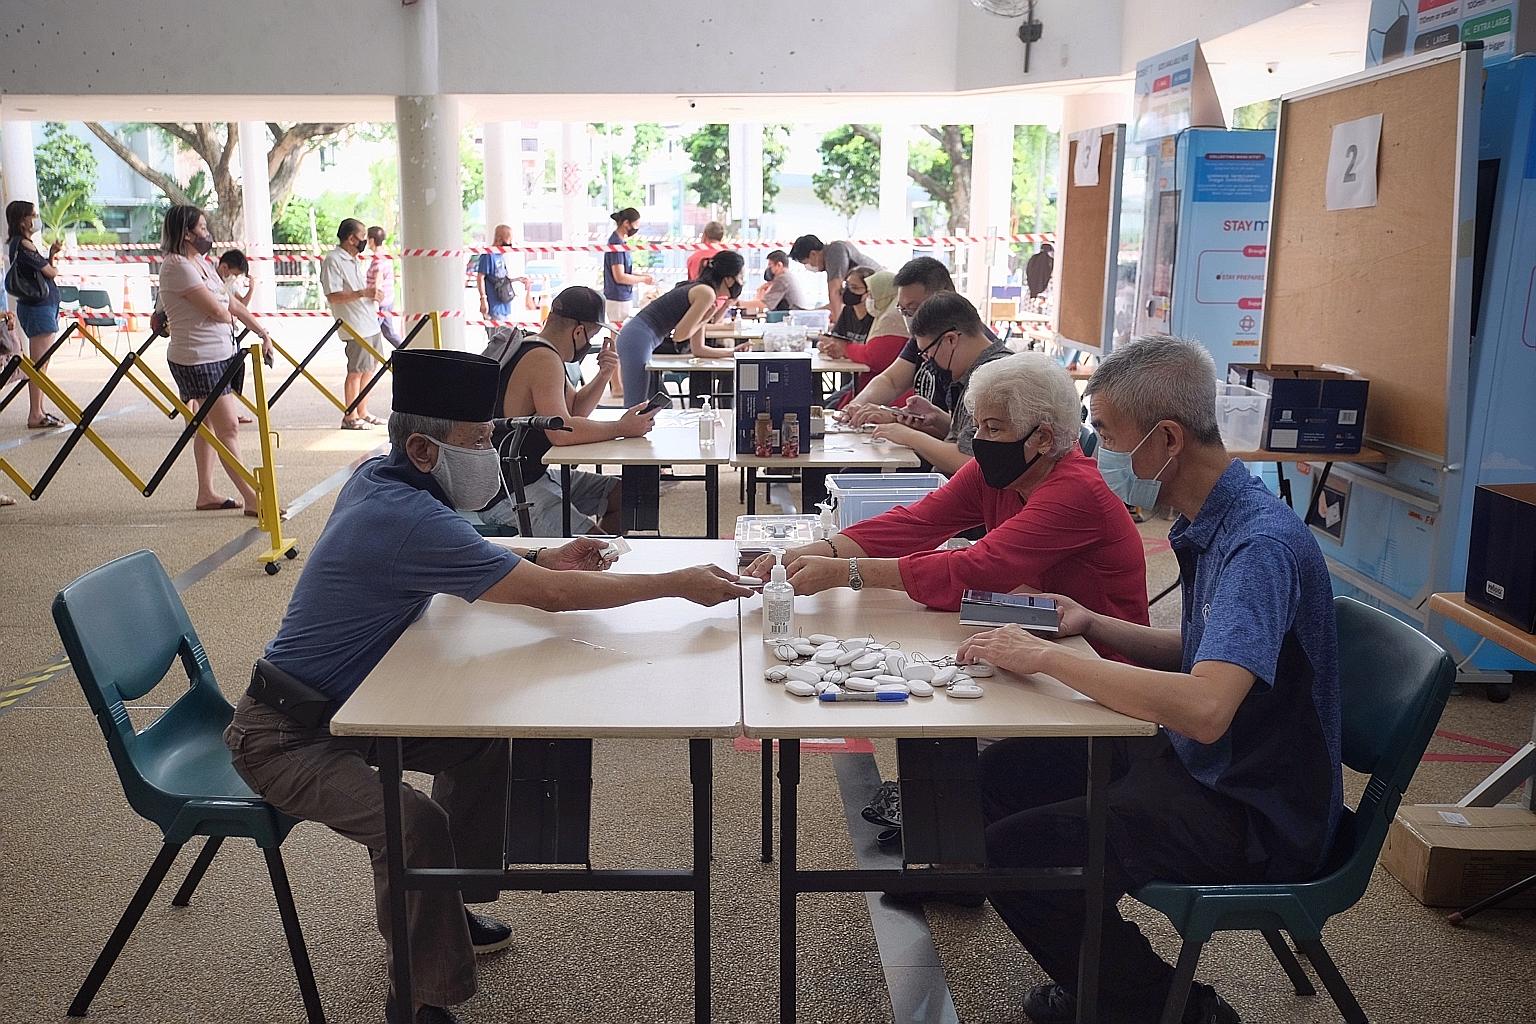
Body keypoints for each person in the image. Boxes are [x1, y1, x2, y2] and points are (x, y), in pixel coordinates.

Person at [225, 347, 751, 1024]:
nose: (490, 455)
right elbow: (553, 598)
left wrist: (539, 552)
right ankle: (418, 996)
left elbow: (485, 559)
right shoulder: (407, 515)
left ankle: (444, 900)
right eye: (477, 443)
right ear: (421, 449)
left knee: (475, 742)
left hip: (343, 708)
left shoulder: (380, 480)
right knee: (410, 824)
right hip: (282, 737)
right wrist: (677, 583)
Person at [960, 336, 1341, 1024]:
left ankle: (1172, 1010)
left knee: (1015, 853)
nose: (1094, 449)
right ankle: (1095, 964)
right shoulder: (1217, 520)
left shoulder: (1259, 545)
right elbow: (1207, 654)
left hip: (1252, 805)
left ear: (1167, 438)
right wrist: (1093, 624)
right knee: (1001, 778)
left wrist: (1048, 658)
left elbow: (1204, 707)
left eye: (1104, 433)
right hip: (1209, 765)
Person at [747, 352, 1146, 627]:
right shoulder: (1005, 472)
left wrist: (845, 572)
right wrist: (807, 552)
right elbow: (916, 522)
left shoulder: (1076, 492)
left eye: (993, 428)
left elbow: (979, 567)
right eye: (978, 426)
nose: (980, 439)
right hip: (1038, 624)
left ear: (1042, 437)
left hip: (1100, 657)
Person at [481, 286, 659, 536]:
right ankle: (591, 556)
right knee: (598, 551)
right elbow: (561, 431)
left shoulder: (536, 346)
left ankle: (592, 550)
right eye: (592, 336)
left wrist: (605, 373)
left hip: (528, 475)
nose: (589, 344)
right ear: (578, 332)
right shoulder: (543, 359)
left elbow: (574, 410)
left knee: (623, 494)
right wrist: (621, 428)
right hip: (511, 491)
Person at [157, 205, 274, 516]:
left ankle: (206, 493)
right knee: (228, 427)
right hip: (198, 358)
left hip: (219, 353)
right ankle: (252, 498)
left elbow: (231, 304)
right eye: (202, 228)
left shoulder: (203, 263)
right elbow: (219, 310)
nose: (207, 234)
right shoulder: (177, 266)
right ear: (185, 233)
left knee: (207, 425)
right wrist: (224, 307)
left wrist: (262, 332)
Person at [839, 256, 1000, 434]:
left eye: (915, 308)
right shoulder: (925, 338)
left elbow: (965, 444)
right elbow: (891, 381)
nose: (910, 317)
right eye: (903, 310)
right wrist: (857, 405)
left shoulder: (976, 352)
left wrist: (904, 430)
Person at [866, 291, 1012, 475]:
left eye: (927, 353)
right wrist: (937, 418)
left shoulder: (992, 379)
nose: (927, 361)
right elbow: (968, 439)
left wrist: (908, 436)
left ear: (951, 339)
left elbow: (970, 462)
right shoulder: (979, 371)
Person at [614, 250, 750, 404]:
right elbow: (680, 335)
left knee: (663, 405)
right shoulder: (706, 293)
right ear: (729, 279)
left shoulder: (704, 291)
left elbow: (698, 349)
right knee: (635, 406)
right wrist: (705, 318)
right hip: (637, 339)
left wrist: (732, 352)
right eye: (741, 277)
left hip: (639, 338)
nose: (742, 282)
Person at [4, 200, 64, 430]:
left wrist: (50, 254)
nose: (36, 218)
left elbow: (43, 271)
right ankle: (35, 413)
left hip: (37, 307)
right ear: (22, 220)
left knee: (41, 363)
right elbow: (50, 272)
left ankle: (38, 410)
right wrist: (52, 263)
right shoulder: (24, 245)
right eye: (32, 215)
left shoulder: (19, 245)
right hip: (39, 309)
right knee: (39, 364)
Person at [322, 218, 383, 429]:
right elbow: (333, 295)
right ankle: (350, 416)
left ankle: (362, 410)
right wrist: (362, 293)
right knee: (356, 370)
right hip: (353, 324)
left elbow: (358, 291)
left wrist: (371, 295)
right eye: (362, 237)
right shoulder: (333, 260)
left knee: (370, 368)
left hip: (369, 322)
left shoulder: (355, 260)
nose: (365, 241)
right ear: (351, 238)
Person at [817, 270, 910, 409]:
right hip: (874, 384)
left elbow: (874, 356)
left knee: (833, 407)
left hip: (889, 393)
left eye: (871, 294)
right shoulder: (878, 314)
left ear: (883, 294)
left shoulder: (892, 319)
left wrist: (845, 348)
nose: (868, 298)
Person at [788, 233, 882, 322]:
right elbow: (837, 302)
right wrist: (808, 313)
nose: (809, 266)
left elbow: (834, 292)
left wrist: (838, 327)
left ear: (813, 254)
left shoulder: (834, 251)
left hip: (880, 294)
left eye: (806, 263)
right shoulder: (835, 255)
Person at [215, 248, 256, 424]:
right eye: (235, 274)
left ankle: (230, 412)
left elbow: (239, 306)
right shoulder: (211, 281)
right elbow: (237, 307)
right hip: (217, 337)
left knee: (231, 376)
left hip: (229, 336)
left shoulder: (228, 284)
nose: (235, 277)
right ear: (225, 268)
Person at [475, 224, 529, 338]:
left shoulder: (500, 256)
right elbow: (480, 277)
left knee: (506, 339)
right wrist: (483, 299)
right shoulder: (488, 255)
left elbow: (500, 279)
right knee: (497, 341)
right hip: (493, 306)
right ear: (499, 239)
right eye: (508, 241)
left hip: (504, 305)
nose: (509, 245)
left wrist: (517, 279)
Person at [602, 207, 654, 324]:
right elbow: (620, 276)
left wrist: (642, 275)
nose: (636, 229)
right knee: (617, 334)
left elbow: (626, 271)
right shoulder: (616, 244)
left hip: (620, 296)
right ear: (626, 223)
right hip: (618, 297)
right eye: (635, 225)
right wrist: (643, 279)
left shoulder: (620, 243)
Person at [737, 249, 814, 314]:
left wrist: (738, 303)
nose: (768, 269)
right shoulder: (788, 276)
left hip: (794, 320)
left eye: (770, 265)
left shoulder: (782, 279)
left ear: (779, 265)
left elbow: (764, 305)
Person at [820, 265, 875, 344]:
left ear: (869, 291)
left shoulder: (875, 315)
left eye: (854, 287)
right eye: (846, 285)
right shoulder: (847, 310)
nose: (848, 290)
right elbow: (836, 338)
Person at [368, 226, 403, 348]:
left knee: (371, 334)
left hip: (381, 303)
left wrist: (375, 303)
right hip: (388, 300)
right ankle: (407, 351)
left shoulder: (378, 260)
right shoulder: (385, 256)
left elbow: (378, 282)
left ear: (371, 240)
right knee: (388, 332)